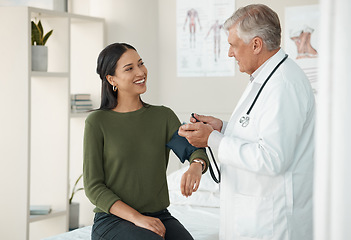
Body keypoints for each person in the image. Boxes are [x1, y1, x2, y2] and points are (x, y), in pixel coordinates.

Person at [178, 4, 315, 240]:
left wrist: (211, 138)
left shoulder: (283, 85)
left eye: (233, 45)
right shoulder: (265, 78)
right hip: (254, 218)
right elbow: (260, 128)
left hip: (272, 223)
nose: (230, 53)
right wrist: (223, 127)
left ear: (256, 44)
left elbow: (272, 158)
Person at [83, 43, 209, 240]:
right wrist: (137, 218)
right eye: (129, 68)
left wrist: (196, 165)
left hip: (159, 216)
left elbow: (193, 149)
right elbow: (93, 187)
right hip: (113, 220)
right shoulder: (98, 122)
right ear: (111, 79)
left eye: (141, 64)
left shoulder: (162, 116)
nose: (140, 72)